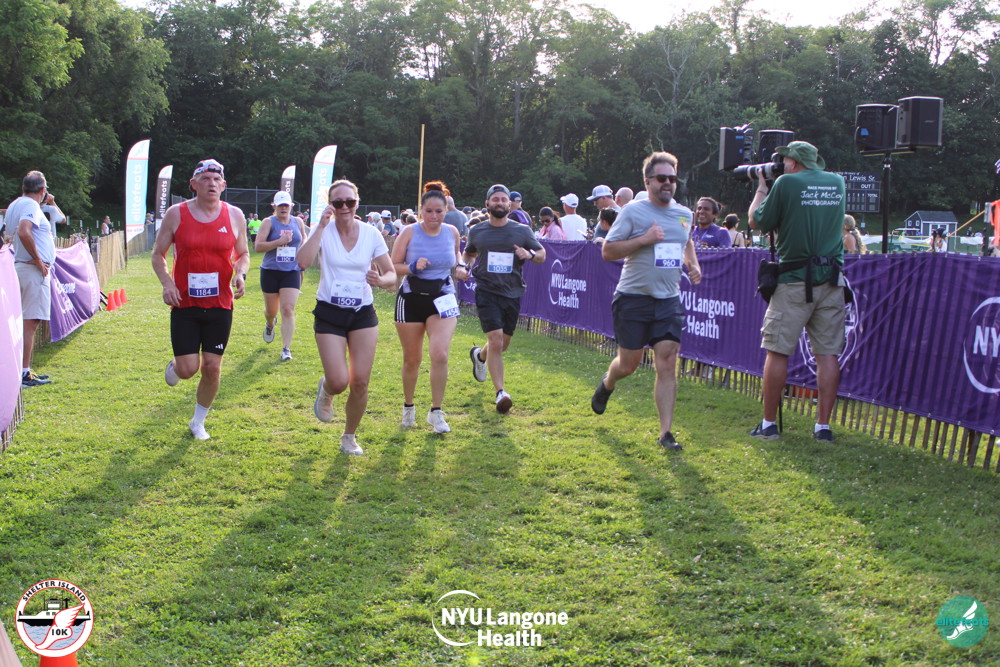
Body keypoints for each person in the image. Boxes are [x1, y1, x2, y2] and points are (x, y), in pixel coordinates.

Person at [590, 152, 702, 450]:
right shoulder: (633, 212)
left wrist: (692, 263)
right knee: (629, 365)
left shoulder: (684, 214)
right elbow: (608, 251)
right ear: (648, 181)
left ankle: (666, 433)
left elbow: (686, 240)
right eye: (662, 178)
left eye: (672, 179)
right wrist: (644, 239)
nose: (668, 183)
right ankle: (608, 382)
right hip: (633, 298)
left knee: (667, 360)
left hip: (668, 300)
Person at [748, 141, 846, 442]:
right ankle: (823, 427)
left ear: (793, 161)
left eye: (784, 159)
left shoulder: (786, 183)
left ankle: (768, 424)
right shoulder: (837, 183)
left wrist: (762, 188)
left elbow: (756, 221)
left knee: (778, 350)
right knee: (827, 354)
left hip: (793, 279)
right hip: (831, 279)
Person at [152, 159, 250, 440]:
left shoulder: (235, 215)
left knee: (212, 366)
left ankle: (198, 421)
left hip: (220, 303)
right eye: (205, 179)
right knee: (188, 369)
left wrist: (240, 274)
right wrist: (167, 283)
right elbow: (158, 254)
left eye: (216, 179)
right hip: (185, 302)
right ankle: (176, 366)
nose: (211, 184)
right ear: (193, 184)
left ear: (224, 185)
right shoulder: (176, 214)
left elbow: (243, 253)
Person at [297, 179, 396, 455]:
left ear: (357, 203)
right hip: (330, 312)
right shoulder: (323, 231)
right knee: (340, 381)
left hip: (362, 313)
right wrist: (320, 226)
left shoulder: (371, 234)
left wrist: (380, 280)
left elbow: (392, 275)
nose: (344, 207)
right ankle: (327, 389)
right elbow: (302, 262)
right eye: (338, 202)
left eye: (349, 202)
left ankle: (349, 436)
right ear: (330, 204)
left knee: (360, 381)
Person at [461, 184, 545, 413]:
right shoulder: (477, 231)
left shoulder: (522, 231)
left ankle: (479, 356)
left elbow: (542, 255)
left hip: (512, 292)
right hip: (486, 290)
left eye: (503, 200)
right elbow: (469, 253)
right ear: (487, 203)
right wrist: (463, 266)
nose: (499, 203)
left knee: (502, 344)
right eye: (495, 199)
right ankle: (501, 393)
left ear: (509, 204)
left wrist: (529, 254)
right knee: (496, 340)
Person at [391, 185, 468, 433]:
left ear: (446, 210)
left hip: (443, 296)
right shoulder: (409, 232)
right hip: (411, 298)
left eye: (439, 211)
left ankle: (436, 412)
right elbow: (393, 265)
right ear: (420, 211)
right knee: (412, 359)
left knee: (440, 354)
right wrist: (413, 266)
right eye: (429, 211)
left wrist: (461, 267)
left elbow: (457, 256)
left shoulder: (452, 231)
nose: (434, 216)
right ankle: (408, 406)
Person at [8, 171, 64, 387]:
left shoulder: (15, 204)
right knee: (31, 321)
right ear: (42, 190)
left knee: (25, 321)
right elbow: (24, 232)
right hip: (32, 270)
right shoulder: (30, 205)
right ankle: (23, 373)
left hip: (22, 267)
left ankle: (23, 370)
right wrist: (39, 261)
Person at [255, 190, 306, 361]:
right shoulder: (268, 222)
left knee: (288, 309)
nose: (283, 208)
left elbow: (303, 239)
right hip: (271, 271)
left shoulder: (298, 221)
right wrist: (279, 242)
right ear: (274, 206)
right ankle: (270, 323)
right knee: (271, 311)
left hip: (291, 271)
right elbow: (258, 246)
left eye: (286, 205)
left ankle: (286, 348)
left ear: (291, 206)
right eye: (280, 206)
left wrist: (303, 252)